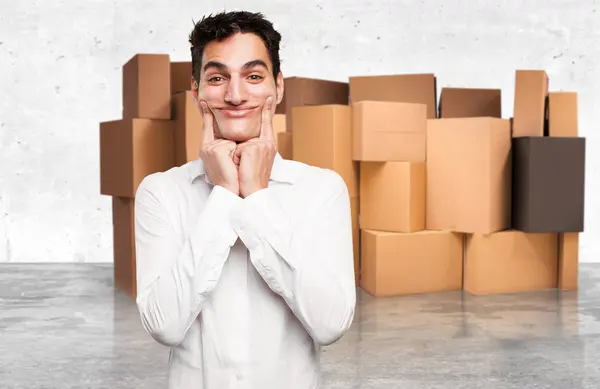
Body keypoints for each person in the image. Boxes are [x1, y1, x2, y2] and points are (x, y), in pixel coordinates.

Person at [133, 10, 356, 389]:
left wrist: (256, 198)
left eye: (253, 76)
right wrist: (222, 195)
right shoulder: (161, 192)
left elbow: (331, 325)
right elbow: (164, 326)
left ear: (278, 87)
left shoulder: (322, 189)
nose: (235, 95)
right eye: (217, 78)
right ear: (196, 91)